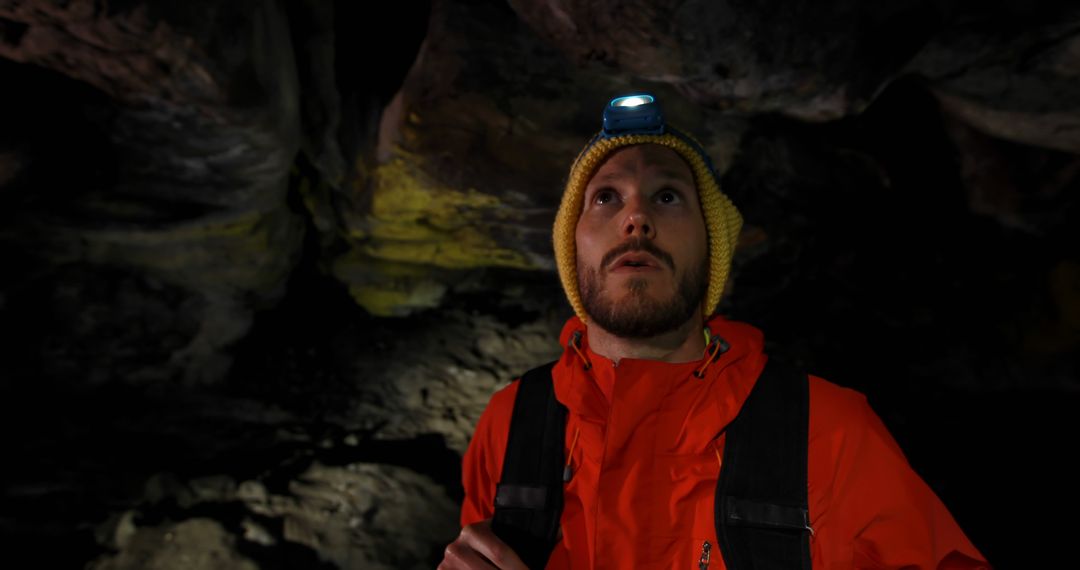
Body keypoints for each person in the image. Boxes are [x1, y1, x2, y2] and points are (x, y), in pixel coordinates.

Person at [439, 94, 990, 569]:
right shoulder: (511, 422)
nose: (636, 218)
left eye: (668, 196)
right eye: (605, 197)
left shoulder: (828, 430)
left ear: (711, 249)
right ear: (572, 244)